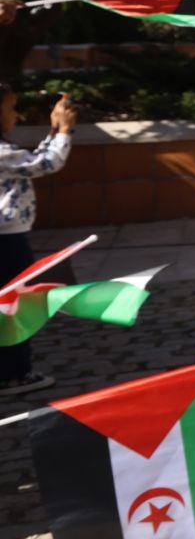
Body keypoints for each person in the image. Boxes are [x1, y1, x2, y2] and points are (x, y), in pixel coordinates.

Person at [0, 87, 76, 395]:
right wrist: (65, 132)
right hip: (7, 241)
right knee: (13, 306)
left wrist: (54, 129)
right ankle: (13, 373)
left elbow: (30, 160)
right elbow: (46, 163)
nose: (15, 115)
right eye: (10, 107)